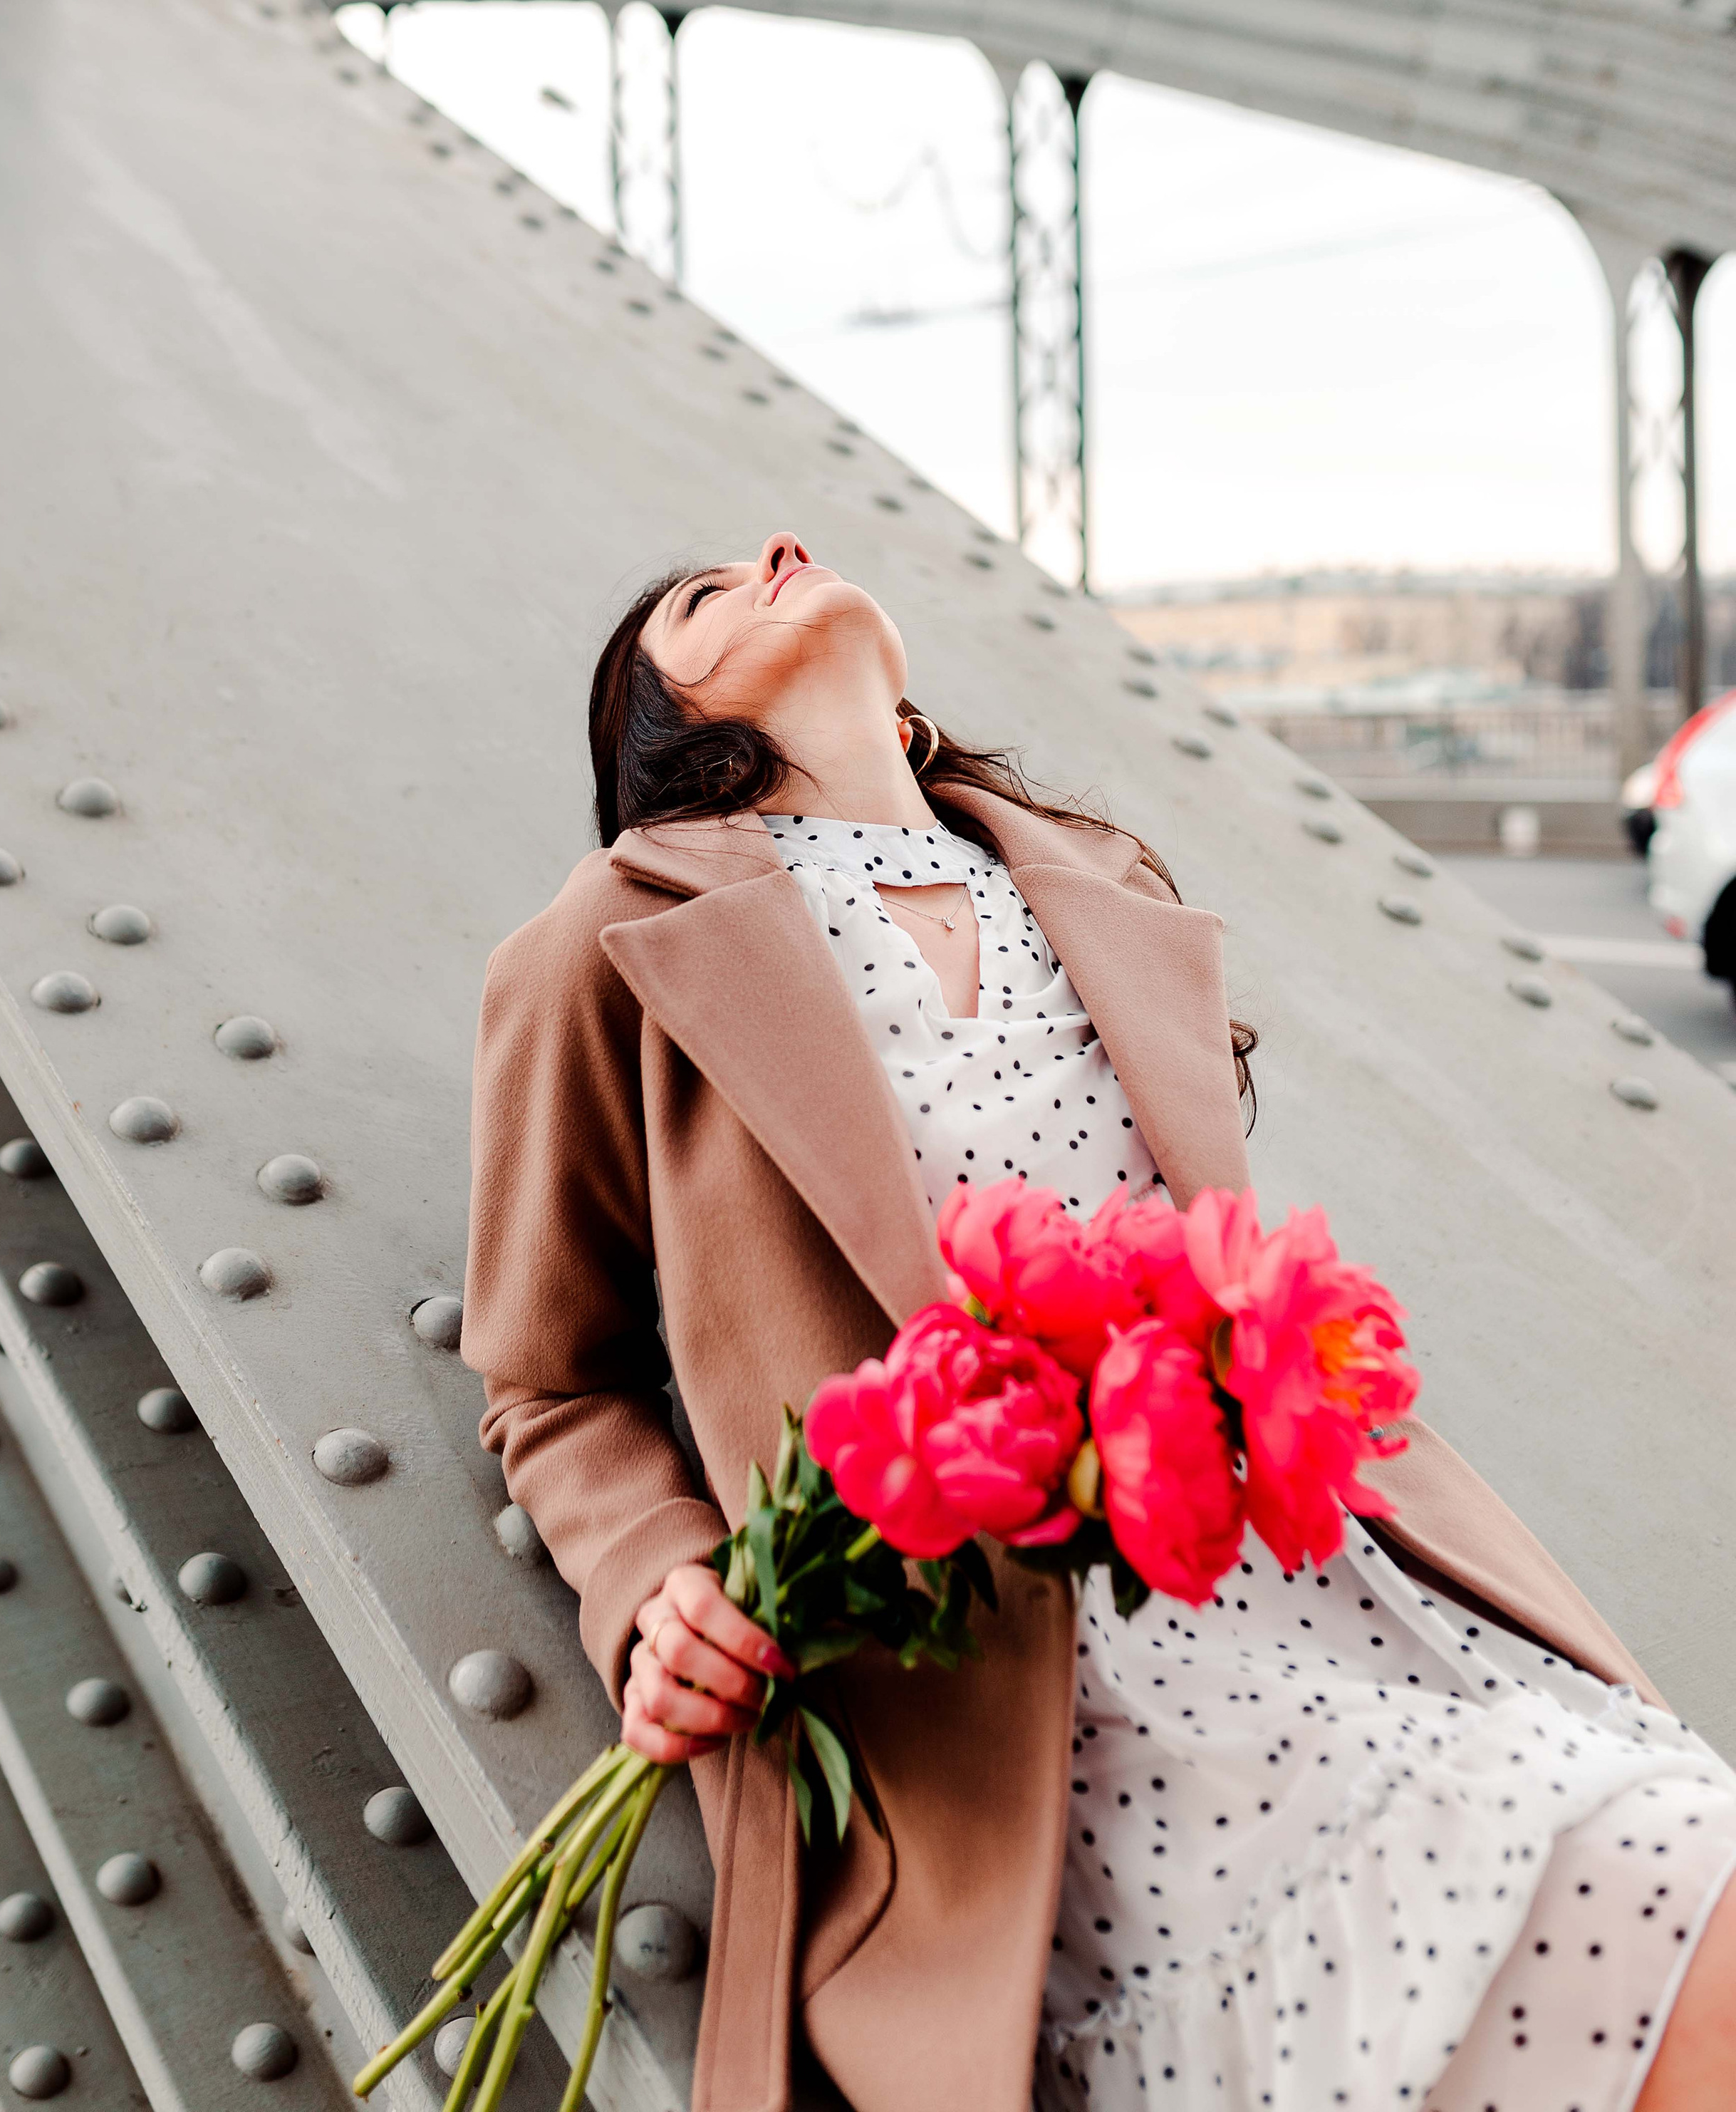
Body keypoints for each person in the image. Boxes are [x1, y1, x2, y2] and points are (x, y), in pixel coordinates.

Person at [463, 532, 1736, 2112]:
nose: (778, 551)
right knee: (1662, 1887)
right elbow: (548, 1382)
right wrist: (654, 1589)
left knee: (1677, 1872)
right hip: (1023, 1681)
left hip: (1314, 1569)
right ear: (667, 736)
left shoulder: (1096, 883)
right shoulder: (607, 937)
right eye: (705, 597)